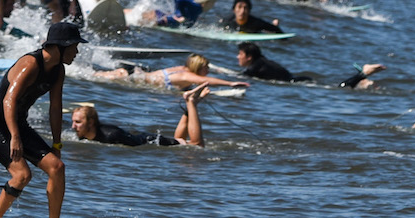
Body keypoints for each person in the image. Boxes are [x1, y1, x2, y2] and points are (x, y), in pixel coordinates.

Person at [0, 21, 80, 218]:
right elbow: (9, 100)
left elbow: (55, 108)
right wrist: (15, 136)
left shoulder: (58, 70)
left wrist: (56, 144)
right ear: (60, 46)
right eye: (74, 46)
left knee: (57, 167)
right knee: (22, 174)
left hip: (19, 125)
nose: (77, 51)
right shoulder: (30, 63)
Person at [70, 88, 209, 147]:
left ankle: (191, 102)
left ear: (91, 122)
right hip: (144, 138)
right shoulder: (83, 134)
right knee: (181, 141)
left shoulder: (111, 135)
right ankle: (189, 106)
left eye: (78, 122)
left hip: (152, 141)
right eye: (73, 122)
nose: (73, 126)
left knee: (196, 146)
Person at [235, 42, 383, 89]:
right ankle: (362, 81)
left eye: (240, 54)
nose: (238, 57)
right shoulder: (263, 61)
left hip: (298, 82)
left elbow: (242, 77)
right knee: (335, 85)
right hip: (300, 79)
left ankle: (363, 73)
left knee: (338, 88)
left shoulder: (256, 65)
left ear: (249, 57)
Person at [83, 52, 247, 94]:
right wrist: (230, 83)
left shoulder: (183, 69)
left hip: (133, 74)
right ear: (198, 69)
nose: (208, 70)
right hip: (130, 77)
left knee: (91, 73)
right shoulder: (186, 76)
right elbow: (209, 80)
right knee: (88, 76)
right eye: (206, 67)